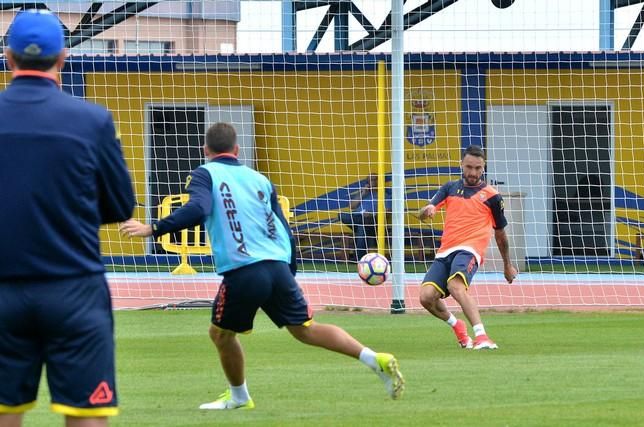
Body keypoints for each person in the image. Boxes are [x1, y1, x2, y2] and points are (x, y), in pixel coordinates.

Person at [119, 122, 404, 410]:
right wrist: (289, 272)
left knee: (220, 333)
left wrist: (153, 228)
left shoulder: (204, 174)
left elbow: (198, 209)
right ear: (237, 149)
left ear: (205, 150)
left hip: (244, 269)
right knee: (305, 329)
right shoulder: (260, 179)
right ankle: (373, 358)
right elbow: (284, 228)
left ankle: (239, 397)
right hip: (278, 266)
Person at [0, 10, 134, 427]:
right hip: (74, 289)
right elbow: (120, 206)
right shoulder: (91, 120)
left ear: (8, 58)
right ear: (62, 59)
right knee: (86, 413)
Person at [418, 145, 517, 350]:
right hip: (446, 251)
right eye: (469, 167)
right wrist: (426, 210)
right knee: (426, 298)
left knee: (456, 286)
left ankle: (482, 336)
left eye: (478, 168)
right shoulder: (449, 188)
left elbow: (500, 234)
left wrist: (507, 265)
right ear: (461, 165)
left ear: (483, 168)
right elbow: (425, 211)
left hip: (470, 249)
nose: (473, 172)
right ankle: (458, 326)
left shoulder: (492, 196)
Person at [339, 173, 380, 261]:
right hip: (358, 217)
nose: (372, 182)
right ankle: (361, 259)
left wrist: (372, 214)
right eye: (370, 180)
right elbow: (351, 206)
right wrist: (362, 193)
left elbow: (388, 211)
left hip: (372, 220)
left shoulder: (383, 194)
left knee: (362, 226)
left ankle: (359, 259)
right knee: (342, 215)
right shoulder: (362, 193)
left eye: (374, 179)